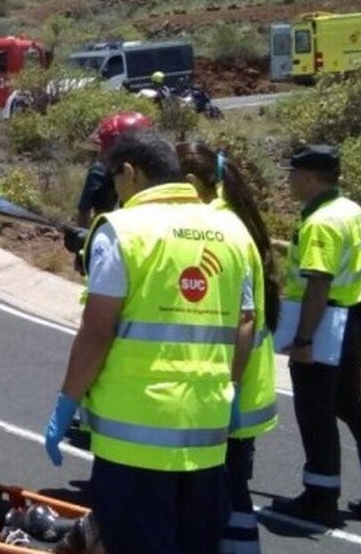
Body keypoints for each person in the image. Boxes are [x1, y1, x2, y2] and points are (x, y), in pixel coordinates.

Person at [44, 130, 256, 554]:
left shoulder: (123, 231)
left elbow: (97, 331)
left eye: (115, 178)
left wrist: (67, 402)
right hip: (205, 432)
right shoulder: (230, 231)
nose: (115, 190)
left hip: (134, 439)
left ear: (131, 171)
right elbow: (244, 322)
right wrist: (230, 390)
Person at [270, 145, 361, 526]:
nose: (289, 179)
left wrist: (303, 340)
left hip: (325, 324)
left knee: (316, 412)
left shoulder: (320, 223)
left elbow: (318, 283)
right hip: (353, 318)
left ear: (310, 176)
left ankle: (320, 496)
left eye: (293, 172)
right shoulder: (350, 210)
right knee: (351, 403)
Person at [177, 141, 279, 553]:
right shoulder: (238, 218)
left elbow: (243, 317)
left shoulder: (216, 228)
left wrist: (228, 390)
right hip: (246, 381)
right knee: (233, 488)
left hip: (229, 385)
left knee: (227, 494)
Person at [74, 111, 154, 230]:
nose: (102, 156)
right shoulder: (99, 172)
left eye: (106, 150)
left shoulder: (154, 180)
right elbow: (84, 211)